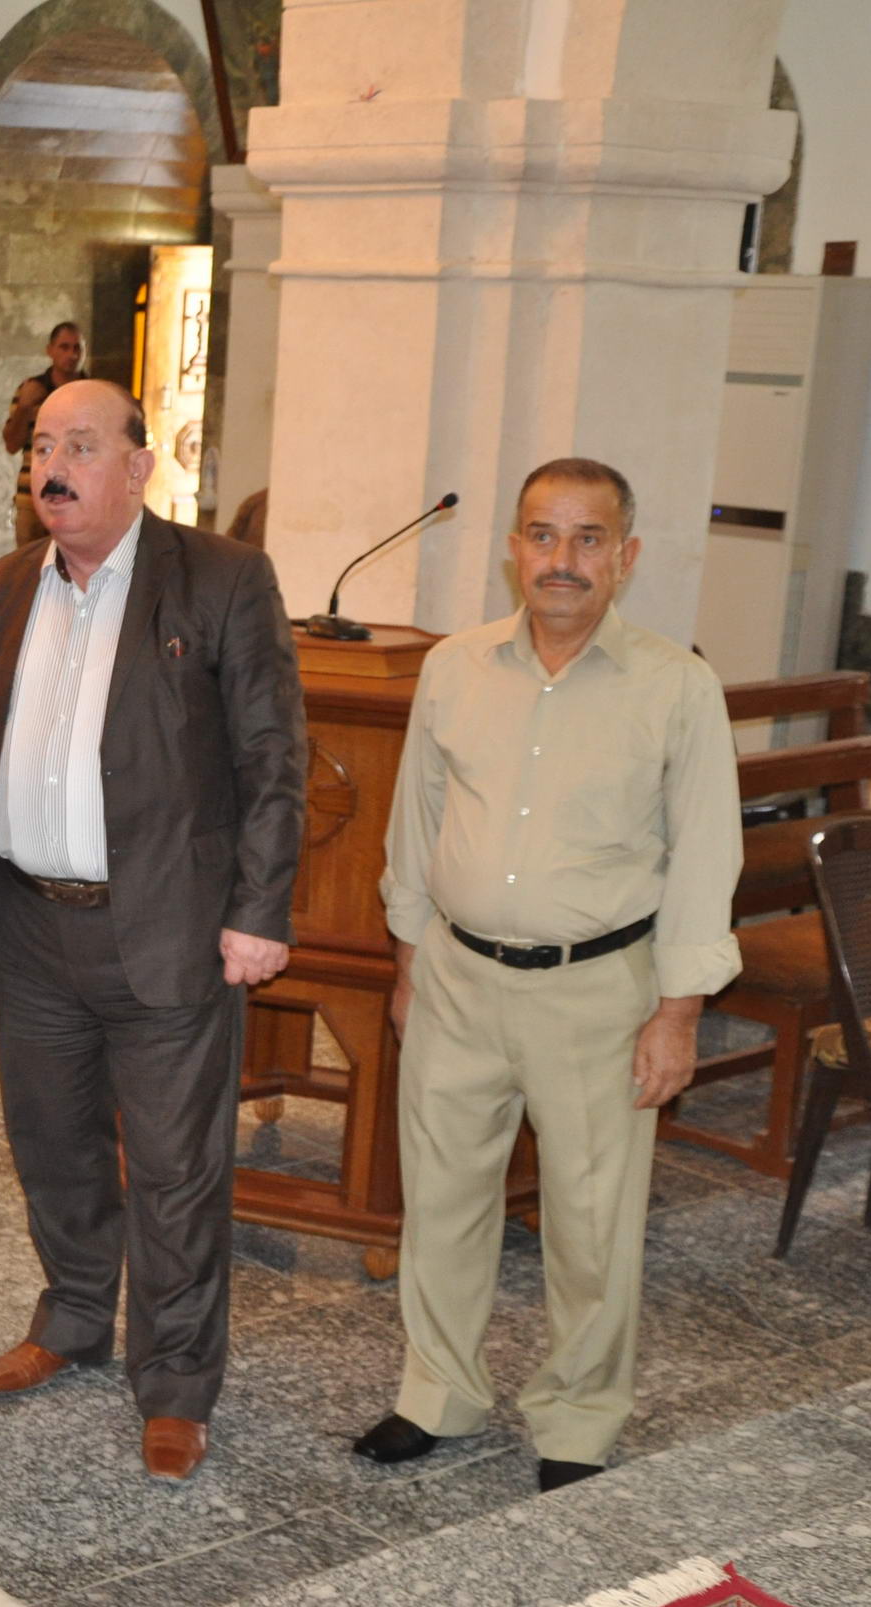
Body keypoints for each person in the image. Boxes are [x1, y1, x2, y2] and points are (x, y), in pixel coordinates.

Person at [355, 458, 741, 1493]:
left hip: (598, 992)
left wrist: (677, 1013)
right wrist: (407, 957)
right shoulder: (455, 667)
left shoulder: (676, 686)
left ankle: (577, 1418)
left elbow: (706, 856)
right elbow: (416, 820)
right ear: (512, 549)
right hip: (456, 977)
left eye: (586, 538)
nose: (560, 559)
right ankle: (437, 1392)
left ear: (626, 556)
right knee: (442, 1201)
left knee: (591, 1221)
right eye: (541, 534)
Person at [0, 380, 306, 1483]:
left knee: (173, 1169)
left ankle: (177, 1383)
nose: (53, 468)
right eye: (41, 448)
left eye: (81, 445)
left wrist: (258, 911)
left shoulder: (222, 578)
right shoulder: (6, 585)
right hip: (29, 922)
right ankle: (71, 1318)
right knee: (50, 1144)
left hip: (167, 929)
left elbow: (272, 758)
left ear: (139, 465)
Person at [1, 321, 85, 549]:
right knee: (29, 562)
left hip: (77, 495)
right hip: (32, 497)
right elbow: (11, 444)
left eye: (77, 348)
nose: (72, 355)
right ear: (50, 350)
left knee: (73, 559)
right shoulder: (30, 389)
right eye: (64, 347)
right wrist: (24, 408)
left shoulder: (91, 393)